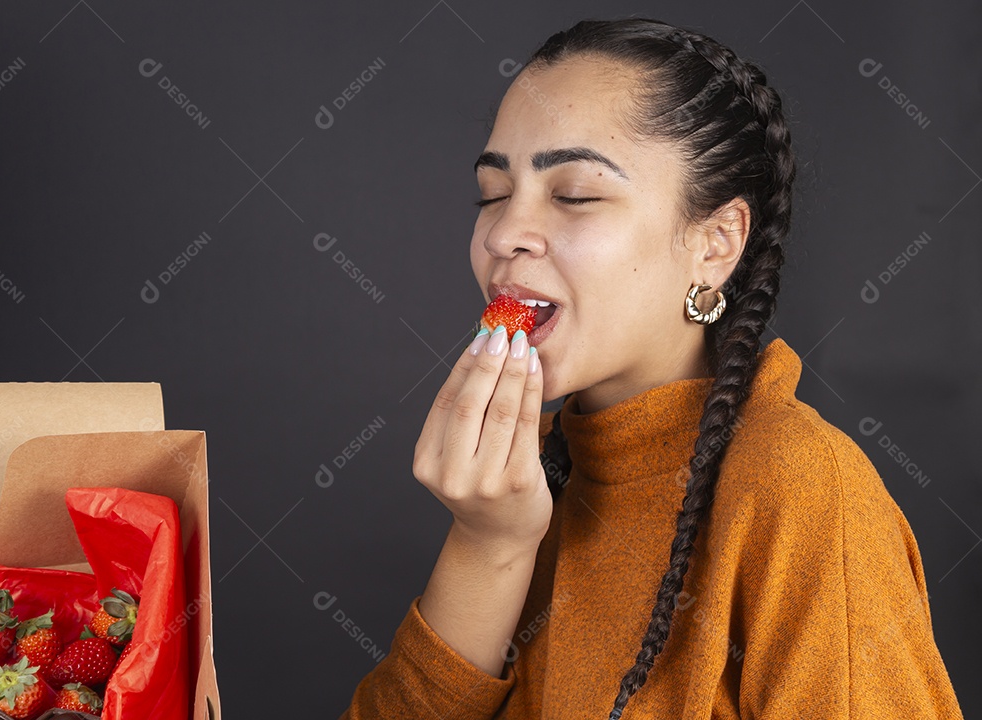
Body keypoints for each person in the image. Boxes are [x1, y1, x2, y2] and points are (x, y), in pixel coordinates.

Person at [339, 16, 964, 719]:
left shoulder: (804, 490)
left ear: (715, 243)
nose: (503, 234)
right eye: (492, 193)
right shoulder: (527, 487)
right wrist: (487, 545)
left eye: (573, 194)